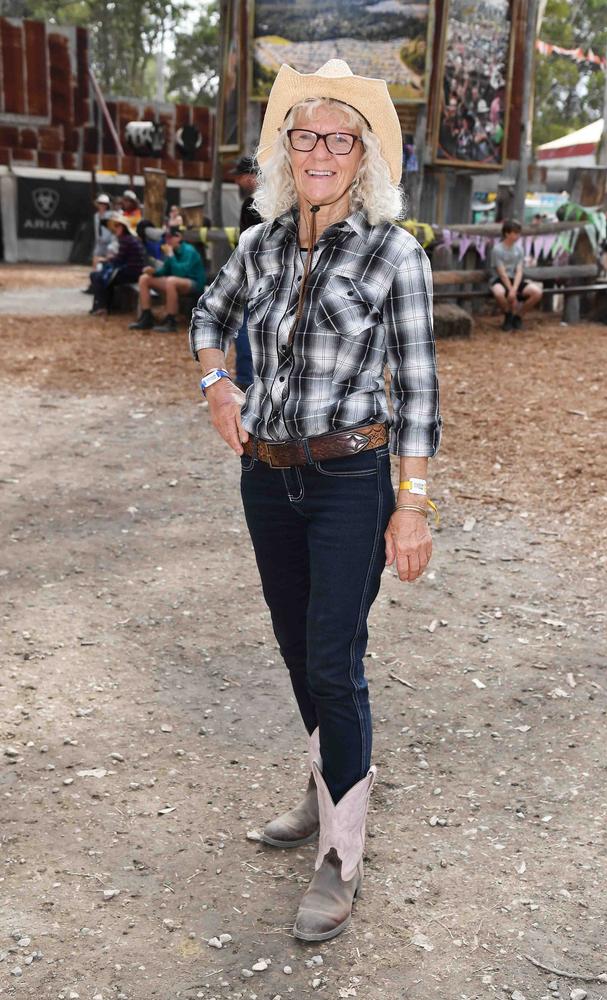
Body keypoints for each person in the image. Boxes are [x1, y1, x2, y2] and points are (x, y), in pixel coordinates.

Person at [189, 59, 441, 942]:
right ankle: (326, 779)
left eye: (341, 136)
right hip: (266, 474)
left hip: (350, 479)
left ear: (363, 154)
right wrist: (221, 385)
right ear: (286, 150)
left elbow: (417, 388)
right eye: (307, 134)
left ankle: (342, 856)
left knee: (335, 658)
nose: (322, 150)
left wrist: (411, 505)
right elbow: (208, 315)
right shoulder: (258, 245)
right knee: (298, 651)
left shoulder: (394, 252)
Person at [130, 226, 206, 333]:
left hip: (194, 283)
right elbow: (165, 270)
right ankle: (146, 316)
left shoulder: (189, 250)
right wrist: (153, 272)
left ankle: (171, 321)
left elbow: (182, 273)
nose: (167, 241)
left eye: (169, 237)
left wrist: (170, 256)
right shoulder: (172, 251)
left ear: (178, 237)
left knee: (171, 281)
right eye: (165, 238)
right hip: (177, 281)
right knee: (144, 279)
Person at [230, 155, 263, 389]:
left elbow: (247, 243)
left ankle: (245, 377)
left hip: (253, 273)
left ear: (251, 176)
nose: (237, 182)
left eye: (240, 177)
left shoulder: (252, 204)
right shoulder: (280, 201)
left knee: (243, 324)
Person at [89, 213, 146, 316]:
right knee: (100, 276)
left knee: (99, 277)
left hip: (131, 272)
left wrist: (106, 260)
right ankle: (104, 306)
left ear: (124, 228)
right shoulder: (127, 239)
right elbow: (120, 258)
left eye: (118, 226)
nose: (116, 229)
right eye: (115, 226)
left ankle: (102, 307)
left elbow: (119, 260)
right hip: (131, 271)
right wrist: (109, 260)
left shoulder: (126, 240)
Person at [490, 219, 542, 330]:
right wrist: (510, 289)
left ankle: (518, 316)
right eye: (515, 233)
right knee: (499, 293)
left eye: (519, 233)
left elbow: (519, 270)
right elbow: (501, 272)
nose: (518, 236)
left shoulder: (519, 249)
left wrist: (514, 288)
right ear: (507, 233)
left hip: (516, 280)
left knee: (537, 292)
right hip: (500, 279)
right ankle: (508, 315)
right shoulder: (497, 249)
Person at [83, 194, 117, 293]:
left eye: (104, 204)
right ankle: (93, 284)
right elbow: (97, 229)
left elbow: (112, 229)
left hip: (109, 242)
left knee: (106, 261)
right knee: (95, 260)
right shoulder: (96, 216)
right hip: (100, 242)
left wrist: (111, 240)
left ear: (107, 205)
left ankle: (101, 284)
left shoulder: (111, 215)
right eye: (100, 203)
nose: (102, 205)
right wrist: (98, 238)